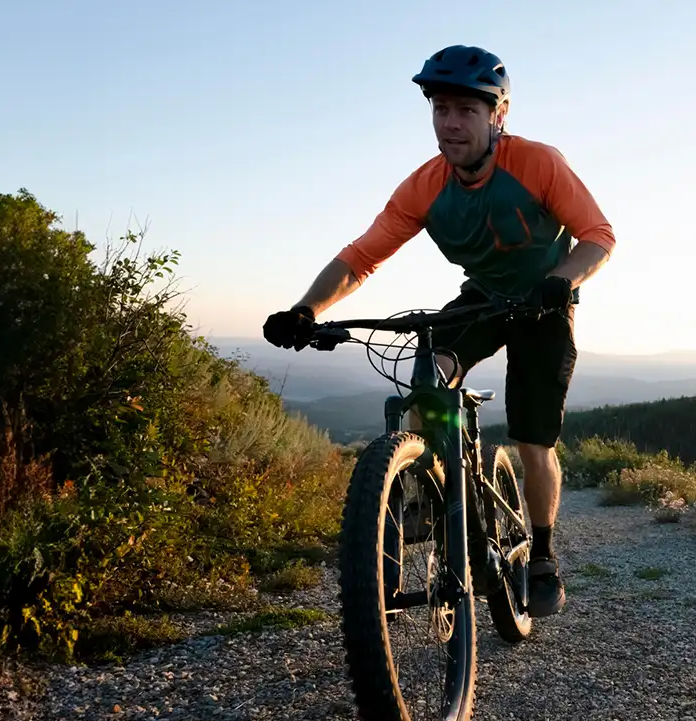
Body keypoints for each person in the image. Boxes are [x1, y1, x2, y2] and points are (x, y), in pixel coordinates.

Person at [261, 45, 615, 617]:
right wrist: (306, 310)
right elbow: (360, 257)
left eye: (466, 111)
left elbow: (598, 235)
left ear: (497, 115)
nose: (450, 123)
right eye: (440, 108)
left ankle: (543, 553)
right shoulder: (425, 186)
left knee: (533, 440)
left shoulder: (539, 163)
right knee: (430, 369)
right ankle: (429, 486)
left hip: (544, 303)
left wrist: (560, 279)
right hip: (482, 299)